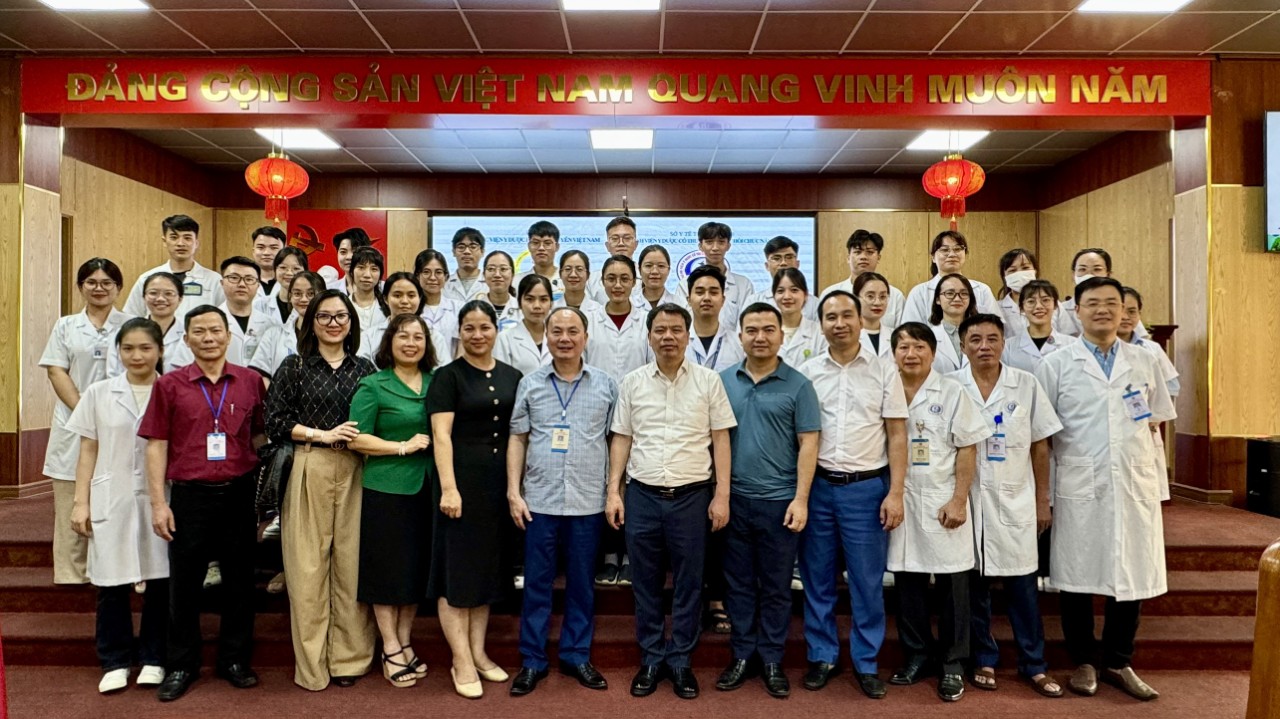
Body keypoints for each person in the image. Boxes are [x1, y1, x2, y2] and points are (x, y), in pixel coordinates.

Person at [1035, 277, 1175, 702]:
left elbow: (1156, 421)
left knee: (1131, 570)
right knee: (1076, 572)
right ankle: (1083, 661)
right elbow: (1042, 434)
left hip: (1133, 481)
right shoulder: (1057, 364)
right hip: (1079, 480)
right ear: (1076, 310)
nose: (1103, 310)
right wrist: (1045, 495)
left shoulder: (1145, 359)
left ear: (1124, 310)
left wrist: (1156, 481)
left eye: (1112, 303)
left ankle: (1118, 660)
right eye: (1093, 302)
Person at [606, 303, 736, 700]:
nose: (668, 337)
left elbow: (720, 439)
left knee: (689, 584)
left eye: (676, 330)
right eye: (660, 330)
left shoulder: (709, 381)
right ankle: (651, 658)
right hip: (642, 496)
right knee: (645, 583)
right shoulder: (632, 382)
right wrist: (613, 491)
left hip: (692, 498)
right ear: (649, 337)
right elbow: (622, 438)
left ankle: (680, 660)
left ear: (687, 335)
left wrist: (722, 494)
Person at [139, 305, 266, 702]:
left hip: (239, 493)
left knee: (240, 583)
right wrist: (158, 504)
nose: (208, 338)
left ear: (228, 336)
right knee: (184, 585)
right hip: (189, 496)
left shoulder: (250, 381)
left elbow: (260, 438)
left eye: (215, 330)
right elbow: (156, 445)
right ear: (187, 339)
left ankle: (234, 660)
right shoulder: (169, 385)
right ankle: (182, 664)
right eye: (200, 332)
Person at [797, 290, 907, 700]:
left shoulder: (884, 370)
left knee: (866, 581)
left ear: (862, 321)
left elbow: (897, 435)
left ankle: (866, 661)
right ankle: (822, 655)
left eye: (847, 315)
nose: (839, 324)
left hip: (866, 489)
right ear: (821, 324)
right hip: (820, 488)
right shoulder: (807, 372)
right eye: (831, 317)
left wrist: (895, 492)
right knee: (817, 578)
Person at [266, 290, 377, 691]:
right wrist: (322, 434)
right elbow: (275, 420)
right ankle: (312, 666)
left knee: (351, 565)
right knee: (307, 570)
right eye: (325, 316)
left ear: (351, 323)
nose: (333, 323)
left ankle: (349, 659)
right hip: (308, 463)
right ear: (311, 322)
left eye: (341, 316)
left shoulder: (365, 368)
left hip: (355, 468)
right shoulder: (294, 366)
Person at [507, 307, 619, 697]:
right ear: (547, 335)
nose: (565, 338)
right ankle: (532, 660)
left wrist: (613, 491)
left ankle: (576, 655)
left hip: (587, 502)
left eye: (573, 331)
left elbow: (616, 441)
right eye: (557, 331)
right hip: (539, 501)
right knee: (537, 585)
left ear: (586, 337)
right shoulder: (531, 384)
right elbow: (518, 437)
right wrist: (514, 491)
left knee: (582, 585)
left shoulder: (606, 385)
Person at [951, 314, 1064, 698]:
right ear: (962, 346)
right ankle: (984, 658)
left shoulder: (1025, 384)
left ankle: (1035, 664)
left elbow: (1040, 447)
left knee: (1023, 591)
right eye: (975, 339)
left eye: (992, 339)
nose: (984, 346)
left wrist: (1042, 500)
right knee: (975, 590)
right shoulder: (951, 386)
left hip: (1016, 499)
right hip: (969, 501)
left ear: (1003, 343)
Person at [715, 303, 821, 698]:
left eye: (768, 330)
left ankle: (773, 658)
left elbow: (809, 443)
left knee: (776, 586)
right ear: (740, 335)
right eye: (752, 330)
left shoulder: (799, 385)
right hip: (735, 500)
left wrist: (801, 499)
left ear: (781, 335)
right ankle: (743, 655)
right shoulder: (723, 381)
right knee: (738, 585)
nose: (760, 337)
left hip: (780, 503)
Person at [66, 318, 170, 694]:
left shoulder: (171, 390)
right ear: (118, 351)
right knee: (111, 582)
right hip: (112, 494)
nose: (136, 355)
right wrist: (81, 502)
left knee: (160, 580)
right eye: (128, 348)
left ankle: (154, 657)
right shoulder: (99, 392)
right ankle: (115, 660)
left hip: (160, 497)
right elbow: (88, 449)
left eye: (145, 348)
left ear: (160, 350)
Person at [887, 321, 989, 703]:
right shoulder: (886, 389)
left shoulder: (952, 392)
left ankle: (953, 663)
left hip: (943, 498)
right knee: (908, 582)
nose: (911, 354)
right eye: (903, 347)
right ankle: (917, 656)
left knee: (953, 586)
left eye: (919, 347)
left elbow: (968, 448)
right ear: (893, 353)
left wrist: (959, 499)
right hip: (902, 498)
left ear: (933, 352)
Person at [427, 300, 523, 698]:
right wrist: (449, 487)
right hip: (460, 485)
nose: (477, 335)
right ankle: (461, 659)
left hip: (497, 486)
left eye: (484, 327)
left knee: (485, 572)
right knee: (457, 574)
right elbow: (441, 436)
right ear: (460, 332)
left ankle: (479, 653)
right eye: (469, 328)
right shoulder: (447, 376)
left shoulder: (512, 375)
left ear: (496, 330)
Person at [348, 313, 436, 689]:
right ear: (390, 342)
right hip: (386, 489)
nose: (411, 343)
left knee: (414, 572)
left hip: (427, 488)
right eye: (403, 336)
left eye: (418, 337)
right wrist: (401, 446)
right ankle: (390, 646)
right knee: (387, 573)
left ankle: (404, 640)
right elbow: (356, 438)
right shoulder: (373, 385)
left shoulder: (437, 382)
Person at [41, 258, 131, 586]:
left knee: (115, 501)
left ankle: (112, 573)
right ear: (81, 287)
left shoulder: (132, 324)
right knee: (71, 501)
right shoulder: (66, 326)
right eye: (91, 282)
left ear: (118, 288)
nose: (99, 288)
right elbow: (56, 370)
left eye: (107, 283)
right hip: (73, 421)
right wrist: (85, 412)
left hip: (121, 423)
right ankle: (71, 577)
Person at [582, 255, 649, 586]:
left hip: (640, 413)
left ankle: (631, 556)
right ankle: (609, 556)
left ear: (634, 282)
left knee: (633, 483)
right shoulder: (590, 320)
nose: (618, 284)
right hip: (599, 411)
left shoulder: (647, 320)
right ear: (602, 282)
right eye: (611, 278)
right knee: (607, 483)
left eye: (625, 278)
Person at [1119, 286, 1180, 500]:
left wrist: (1153, 420)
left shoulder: (1151, 349)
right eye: (1121, 310)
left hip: (1143, 428)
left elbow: (1171, 386)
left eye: (1132, 311)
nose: (1126, 317)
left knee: (1144, 495)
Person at [123, 215, 225, 318]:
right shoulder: (146, 279)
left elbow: (225, 319)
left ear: (196, 243)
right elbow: (130, 318)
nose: (180, 243)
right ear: (164, 241)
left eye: (187, 238)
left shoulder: (214, 280)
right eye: (174, 237)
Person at [901, 231, 1000, 325]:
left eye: (957, 249)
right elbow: (911, 330)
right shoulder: (919, 292)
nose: (952, 254)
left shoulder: (982, 290)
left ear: (965, 254)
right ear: (933, 257)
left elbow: (996, 326)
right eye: (944, 250)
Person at [819, 230, 906, 328]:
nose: (863, 257)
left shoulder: (895, 296)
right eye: (857, 252)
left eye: (870, 252)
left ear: (878, 257)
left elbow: (901, 333)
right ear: (848, 258)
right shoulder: (830, 294)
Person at [362, 272, 450, 368]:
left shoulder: (435, 337)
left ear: (420, 298)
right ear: (386, 299)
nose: (404, 301)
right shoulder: (368, 337)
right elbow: (362, 371)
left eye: (411, 296)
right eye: (397, 295)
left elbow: (444, 373)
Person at [1058, 248, 1148, 339]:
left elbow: (1141, 341)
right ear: (1073, 275)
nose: (1089, 275)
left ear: (1108, 275)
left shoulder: (1119, 306)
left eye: (1097, 269)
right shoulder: (1060, 310)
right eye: (1082, 269)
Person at [111, 272, 191, 374]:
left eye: (168, 293)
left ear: (180, 299)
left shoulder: (189, 334)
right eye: (153, 293)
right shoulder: (125, 332)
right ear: (144, 297)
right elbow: (114, 373)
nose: (160, 299)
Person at [250, 271, 322, 382]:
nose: (304, 299)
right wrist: (275, 393)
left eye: (311, 294)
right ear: (290, 296)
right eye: (297, 294)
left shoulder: (333, 333)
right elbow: (259, 374)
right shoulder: (273, 334)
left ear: (322, 296)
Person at [1002, 280, 1077, 373]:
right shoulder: (1007, 348)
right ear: (1021, 308)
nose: (1038, 306)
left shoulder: (1073, 345)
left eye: (1045, 300)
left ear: (1055, 305)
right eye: (1031, 301)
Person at [685, 265, 746, 372]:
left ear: (723, 300)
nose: (706, 298)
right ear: (689, 300)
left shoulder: (739, 345)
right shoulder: (677, 342)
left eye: (713, 292)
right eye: (700, 292)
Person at [695, 221, 754, 330]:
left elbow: (747, 322)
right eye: (709, 242)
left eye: (721, 242)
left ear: (728, 246)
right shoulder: (685, 284)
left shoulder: (744, 284)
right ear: (700, 246)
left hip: (734, 341)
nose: (715, 248)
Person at [747, 236, 818, 321]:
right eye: (776, 258)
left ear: (797, 264)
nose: (783, 263)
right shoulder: (754, 301)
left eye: (789, 257)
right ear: (767, 266)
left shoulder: (814, 304)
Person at [495, 275, 554, 376]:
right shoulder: (505, 339)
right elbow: (501, 379)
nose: (537, 306)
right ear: (519, 303)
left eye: (543, 299)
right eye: (530, 299)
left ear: (551, 303)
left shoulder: (559, 337)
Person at [218, 256, 271, 363]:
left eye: (249, 279)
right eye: (234, 278)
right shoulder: (206, 323)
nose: (242, 284)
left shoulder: (271, 325)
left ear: (258, 285)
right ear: (222, 283)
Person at [774, 267, 826, 367]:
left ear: (805, 295)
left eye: (794, 290)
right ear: (774, 296)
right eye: (780, 291)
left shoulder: (820, 333)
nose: (787, 297)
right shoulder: (766, 333)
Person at [927, 273, 979, 374]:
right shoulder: (928, 337)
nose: (957, 299)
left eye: (964, 293)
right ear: (938, 299)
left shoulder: (980, 334)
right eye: (950, 293)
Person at [414, 249, 461, 360]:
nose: (432, 277)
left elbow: (462, 347)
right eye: (426, 272)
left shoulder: (458, 308)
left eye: (438, 272)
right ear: (417, 276)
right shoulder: (411, 309)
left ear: (446, 276)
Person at [587, 216, 638, 304]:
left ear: (636, 244)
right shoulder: (592, 280)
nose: (621, 243)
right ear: (607, 246)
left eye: (627, 238)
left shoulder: (646, 278)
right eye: (615, 239)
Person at [994, 248, 1042, 338]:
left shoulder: (1052, 305)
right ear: (1004, 277)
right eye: (1012, 270)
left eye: (1025, 268)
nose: (1020, 274)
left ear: (1035, 271)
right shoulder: (996, 309)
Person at [253, 247, 308, 325]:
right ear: (275, 270)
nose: (289, 273)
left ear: (305, 272)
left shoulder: (311, 305)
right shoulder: (260, 305)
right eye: (283, 267)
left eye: (296, 268)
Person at [513, 220, 565, 302]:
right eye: (536, 243)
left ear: (557, 247)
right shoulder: (516, 281)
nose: (541, 248)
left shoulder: (566, 280)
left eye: (547, 243)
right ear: (529, 246)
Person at [347, 247, 389, 333]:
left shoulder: (388, 307)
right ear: (351, 272)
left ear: (380, 275)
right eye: (361, 267)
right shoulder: (343, 306)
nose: (367, 275)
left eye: (374, 269)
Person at [479, 250, 522, 333]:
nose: (497, 275)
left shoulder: (522, 310)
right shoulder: (474, 310)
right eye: (491, 269)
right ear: (484, 275)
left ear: (512, 275)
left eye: (503, 269)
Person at [855, 271, 895, 360]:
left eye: (883, 297)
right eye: (870, 296)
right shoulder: (847, 337)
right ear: (856, 299)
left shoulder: (896, 337)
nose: (877, 303)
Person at [444, 227, 488, 303]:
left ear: (482, 252)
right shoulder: (444, 284)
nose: (467, 251)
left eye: (473, 247)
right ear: (454, 252)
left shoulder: (489, 284)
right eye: (461, 247)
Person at [633, 244, 682, 311]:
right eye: (648, 266)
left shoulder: (681, 304)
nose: (655, 271)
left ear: (668, 270)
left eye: (661, 266)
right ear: (639, 270)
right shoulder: (628, 303)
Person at [327, 227, 372, 295]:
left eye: (355, 251)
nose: (349, 257)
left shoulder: (383, 289)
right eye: (343, 252)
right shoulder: (329, 291)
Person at [249, 226, 286, 299]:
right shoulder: (241, 282)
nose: (267, 253)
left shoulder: (293, 281)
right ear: (253, 251)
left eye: (274, 248)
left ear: (284, 252)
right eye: (261, 247)